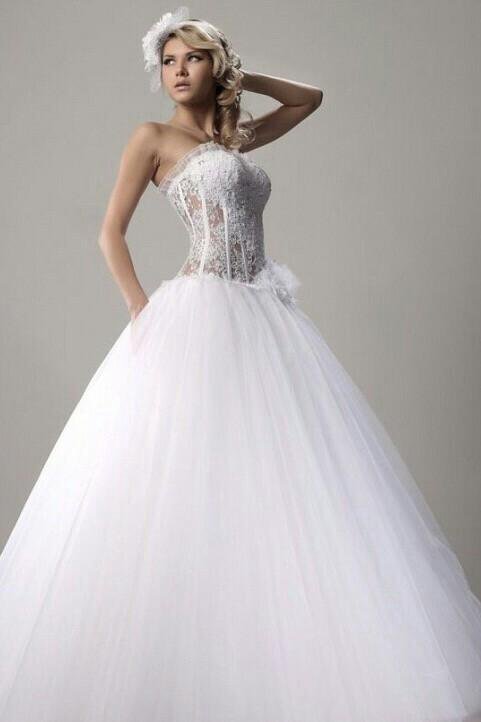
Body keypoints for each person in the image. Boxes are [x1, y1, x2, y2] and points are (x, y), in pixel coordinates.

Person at [1, 6, 480, 721]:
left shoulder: (235, 135)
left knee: (276, 475)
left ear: (213, 66)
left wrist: (241, 77)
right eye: (168, 61)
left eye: (192, 58)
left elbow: (309, 99)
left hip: (263, 315)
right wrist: (141, 310)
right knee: (180, 475)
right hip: (198, 312)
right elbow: (110, 233)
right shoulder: (152, 137)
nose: (178, 71)